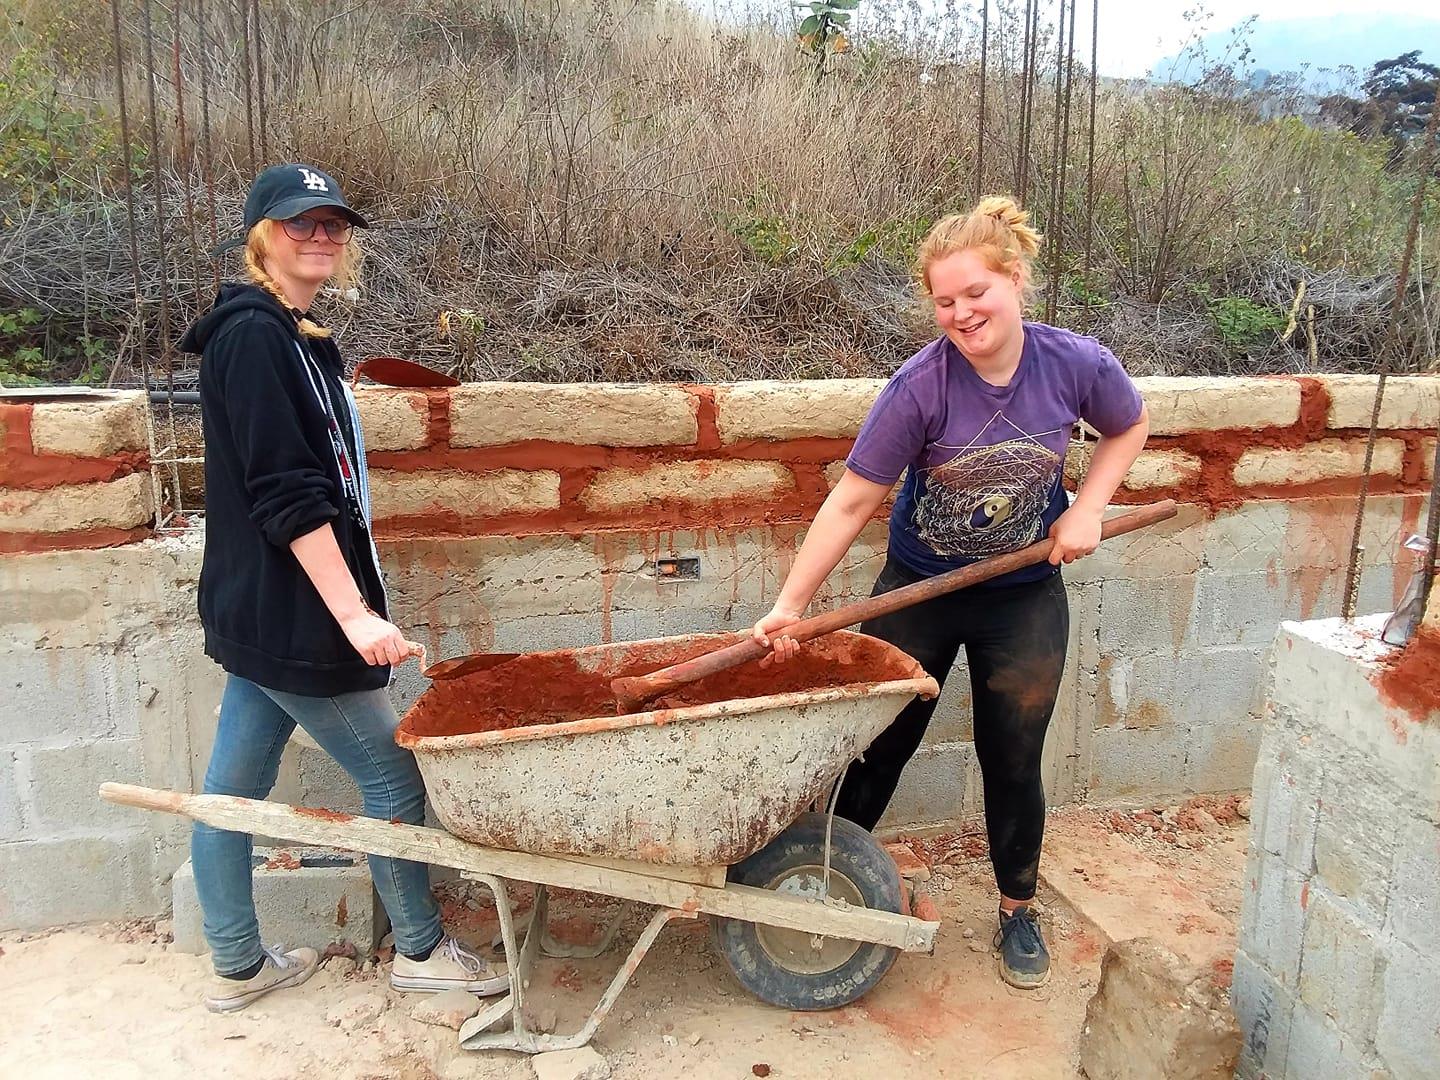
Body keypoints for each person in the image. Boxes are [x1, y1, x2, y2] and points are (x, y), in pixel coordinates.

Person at [751, 196, 1149, 989]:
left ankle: (1017, 911)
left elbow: (1128, 426)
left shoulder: (1074, 364)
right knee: (877, 745)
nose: (962, 313)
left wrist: (1089, 509)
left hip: (1023, 596)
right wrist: (791, 605)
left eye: (976, 292)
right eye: (945, 301)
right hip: (918, 593)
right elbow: (852, 501)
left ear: (1015, 279)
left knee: (1014, 758)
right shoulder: (920, 387)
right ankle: (814, 882)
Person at [179, 163, 507, 1013]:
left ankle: (238, 966)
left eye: (333, 224)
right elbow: (288, 494)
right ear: (262, 235)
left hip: (261, 608)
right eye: (301, 223)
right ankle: (421, 952)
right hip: (294, 614)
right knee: (395, 779)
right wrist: (355, 614)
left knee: (230, 797)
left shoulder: (295, 334)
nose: (321, 237)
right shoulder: (254, 338)